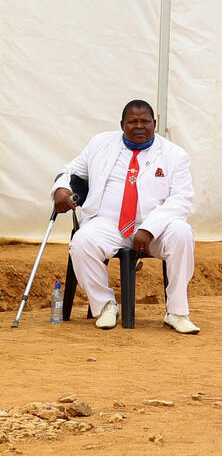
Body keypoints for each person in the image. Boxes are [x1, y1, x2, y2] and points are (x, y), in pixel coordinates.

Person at [51, 100, 198, 333]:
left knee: (182, 232)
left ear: (154, 124)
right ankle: (105, 306)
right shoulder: (100, 143)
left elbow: (181, 200)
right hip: (109, 223)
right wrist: (61, 189)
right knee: (81, 242)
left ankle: (177, 312)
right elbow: (70, 171)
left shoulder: (175, 155)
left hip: (156, 228)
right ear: (122, 125)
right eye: (132, 121)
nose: (139, 126)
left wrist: (149, 228)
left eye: (145, 121)